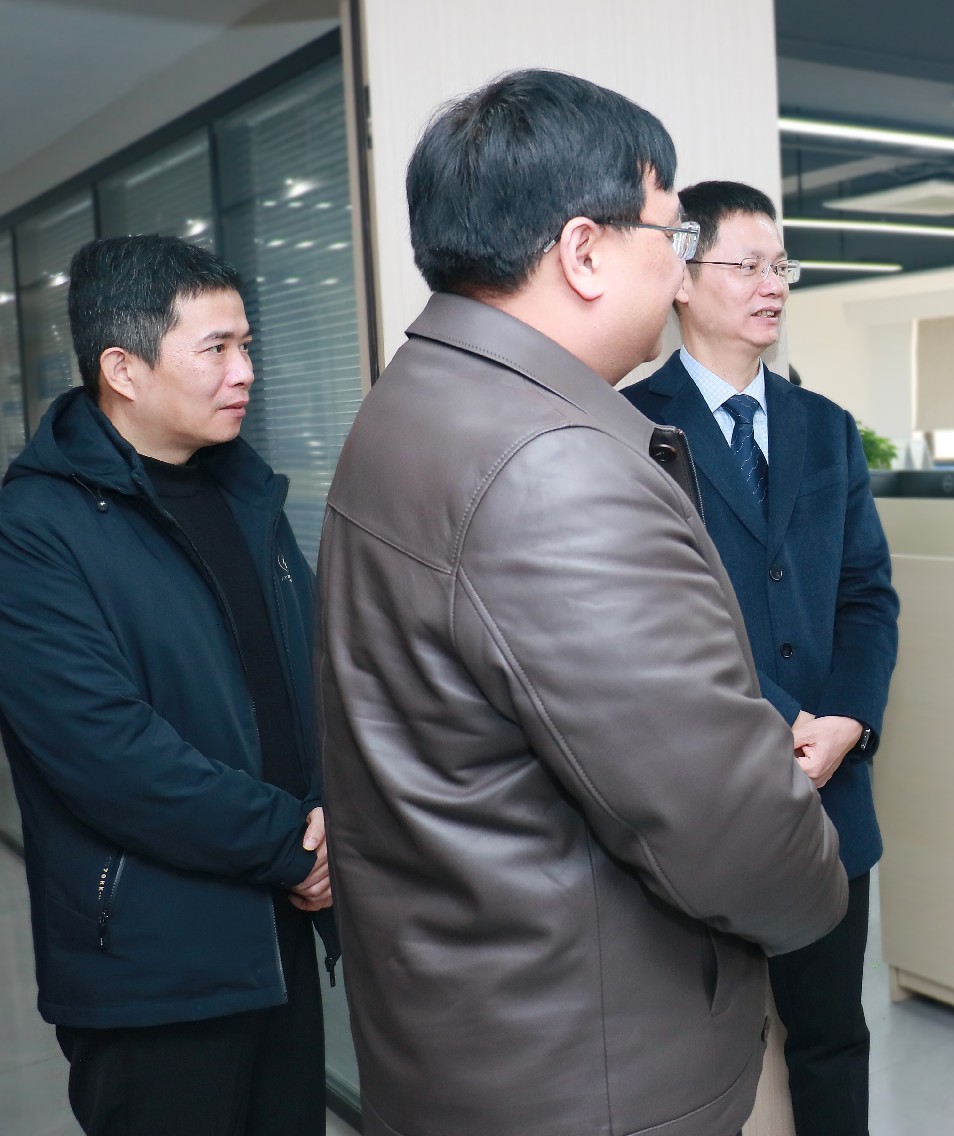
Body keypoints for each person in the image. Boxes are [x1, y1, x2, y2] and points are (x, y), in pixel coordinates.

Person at [314, 71, 847, 1136]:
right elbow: (721, 825)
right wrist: (815, 880)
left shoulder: (414, 399)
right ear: (585, 251)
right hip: (590, 1068)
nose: (682, 264)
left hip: (473, 1031)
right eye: (672, 232)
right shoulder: (554, 467)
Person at [0, 234, 336, 1136]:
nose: (245, 372)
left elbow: (306, 682)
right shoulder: (34, 528)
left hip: (279, 933)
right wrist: (294, 845)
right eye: (215, 348)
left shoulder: (245, 495)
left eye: (247, 345)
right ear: (124, 368)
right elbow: (106, 753)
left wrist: (329, 820)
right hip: (153, 971)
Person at [625, 180, 899, 1136]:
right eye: (747, 264)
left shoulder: (826, 426)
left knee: (832, 1040)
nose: (772, 284)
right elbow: (653, 620)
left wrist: (848, 720)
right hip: (701, 799)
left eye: (782, 266)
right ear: (681, 277)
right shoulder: (628, 427)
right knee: (693, 1060)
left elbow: (867, 595)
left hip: (831, 793)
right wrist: (785, 719)